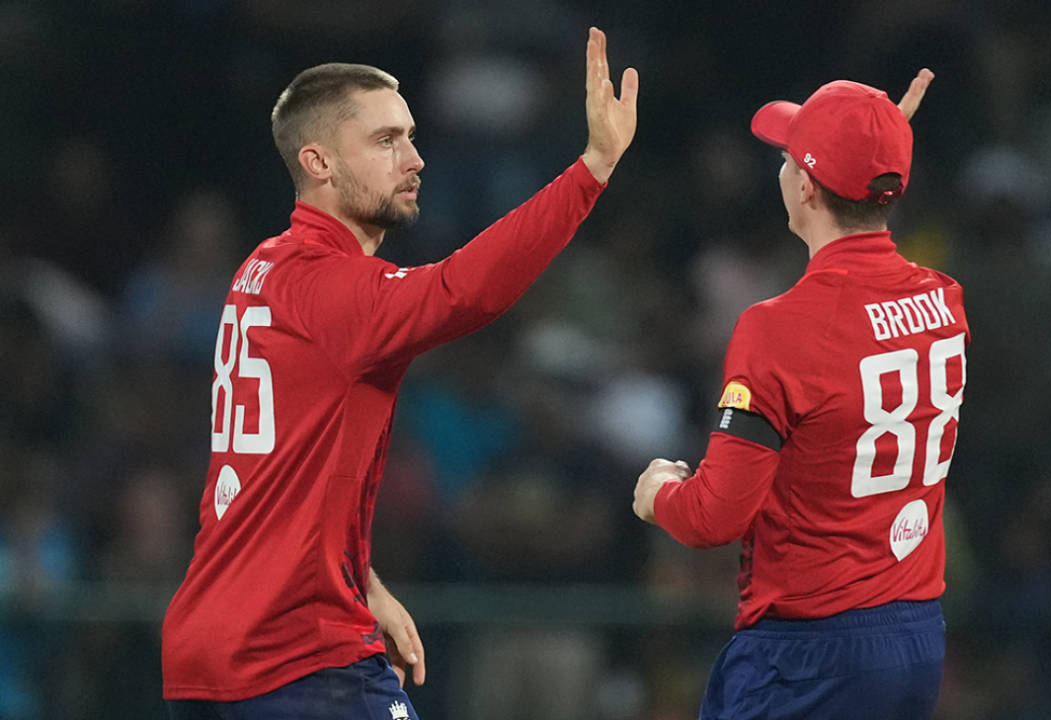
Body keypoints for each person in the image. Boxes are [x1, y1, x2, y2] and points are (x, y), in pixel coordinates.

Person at [161, 27, 637, 720]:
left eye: (411, 136)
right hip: (295, 653)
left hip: (208, 646)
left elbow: (284, 471)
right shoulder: (333, 288)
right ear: (318, 161)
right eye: (386, 141)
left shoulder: (260, 268)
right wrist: (591, 169)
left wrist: (363, 579)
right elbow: (461, 291)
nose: (414, 159)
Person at [632, 70, 967, 720]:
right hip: (918, 642)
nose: (782, 168)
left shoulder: (777, 328)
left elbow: (713, 517)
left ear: (806, 185)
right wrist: (873, 147)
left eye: (789, 157)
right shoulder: (942, 299)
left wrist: (658, 494)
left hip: (808, 654)